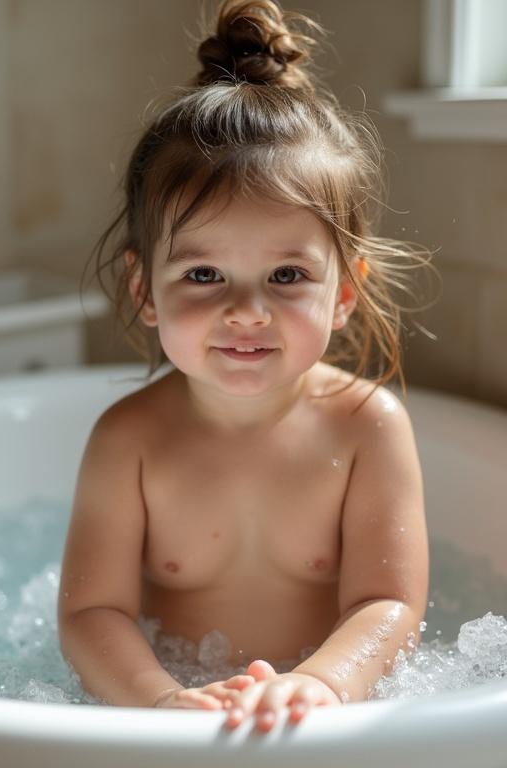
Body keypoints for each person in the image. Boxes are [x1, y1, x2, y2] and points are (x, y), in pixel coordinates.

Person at [58, 0, 430, 734]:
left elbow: (387, 606)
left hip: (319, 717)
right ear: (145, 292)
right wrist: (160, 700)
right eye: (203, 277)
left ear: (344, 292)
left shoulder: (368, 429)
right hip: (174, 705)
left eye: (288, 277)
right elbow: (90, 611)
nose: (248, 312)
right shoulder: (127, 439)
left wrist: (322, 685)